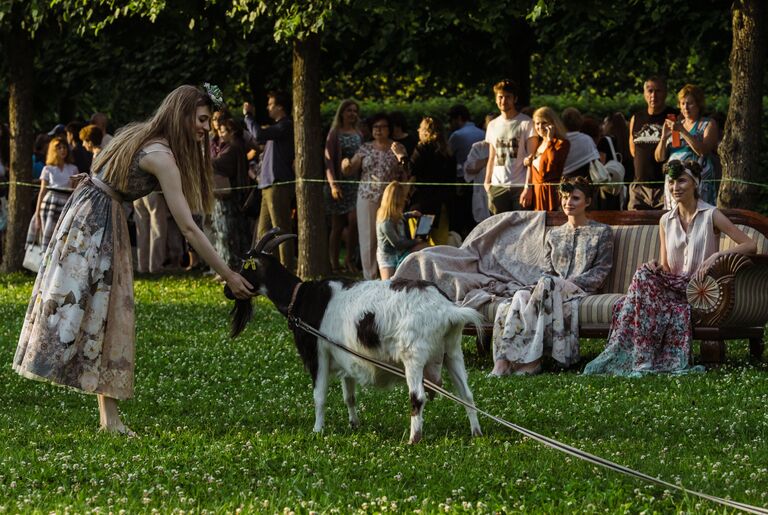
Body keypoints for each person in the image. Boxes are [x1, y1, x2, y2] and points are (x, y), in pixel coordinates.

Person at [13, 85, 254, 435]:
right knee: (103, 312)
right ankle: (109, 419)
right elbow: (188, 227)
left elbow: (102, 168)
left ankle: (109, 419)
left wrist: (93, 181)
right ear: (182, 114)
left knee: (104, 313)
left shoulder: (138, 134)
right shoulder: (161, 156)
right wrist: (228, 274)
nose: (205, 127)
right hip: (98, 225)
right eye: (202, 120)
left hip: (88, 215)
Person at [584, 160, 756, 377]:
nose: (676, 187)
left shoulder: (712, 215)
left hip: (696, 289)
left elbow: (750, 245)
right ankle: (641, 358)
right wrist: (655, 265)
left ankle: (642, 357)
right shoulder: (666, 220)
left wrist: (718, 256)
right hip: (671, 286)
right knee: (644, 273)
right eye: (672, 182)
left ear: (695, 184)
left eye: (682, 181)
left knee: (636, 294)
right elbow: (666, 266)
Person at [490, 176, 613, 376]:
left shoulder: (602, 232)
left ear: (588, 201)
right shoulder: (554, 235)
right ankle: (502, 361)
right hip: (550, 289)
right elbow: (547, 270)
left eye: (575, 198)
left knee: (547, 283)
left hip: (579, 289)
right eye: (565, 197)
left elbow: (601, 271)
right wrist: (551, 283)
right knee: (519, 297)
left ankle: (533, 360)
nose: (568, 203)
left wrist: (563, 283)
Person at [343, 113, 409, 279]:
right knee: (368, 238)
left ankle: (389, 276)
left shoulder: (397, 147)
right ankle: (370, 277)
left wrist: (401, 157)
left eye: (382, 127)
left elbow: (406, 173)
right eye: (375, 127)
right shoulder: (365, 148)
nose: (378, 130)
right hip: (367, 196)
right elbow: (350, 169)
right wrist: (345, 164)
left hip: (390, 198)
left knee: (390, 236)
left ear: (389, 129)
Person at [244, 91, 295, 271]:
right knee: (264, 233)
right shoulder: (277, 128)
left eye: (271, 104)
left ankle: (286, 269)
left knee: (280, 230)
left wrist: (248, 116)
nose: (268, 107)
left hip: (278, 184)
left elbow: (258, 134)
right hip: (266, 185)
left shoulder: (286, 125)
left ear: (280, 107)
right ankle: (268, 271)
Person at [655, 84, 719, 207]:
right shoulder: (676, 125)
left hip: (699, 184)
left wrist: (683, 131)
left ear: (699, 104)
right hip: (675, 183)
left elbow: (703, 151)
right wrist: (663, 138)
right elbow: (659, 158)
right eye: (683, 103)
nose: (686, 107)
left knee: (700, 220)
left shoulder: (708, 124)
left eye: (690, 103)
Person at [483, 79, 536, 214]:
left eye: (508, 97)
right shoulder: (492, 125)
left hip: (520, 186)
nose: (503, 101)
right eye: (500, 97)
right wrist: (487, 182)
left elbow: (532, 158)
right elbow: (492, 156)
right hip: (497, 186)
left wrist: (528, 187)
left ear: (515, 99)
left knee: (521, 228)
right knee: (498, 229)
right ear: (496, 99)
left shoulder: (526, 123)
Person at [324, 99, 363, 273]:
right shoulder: (334, 133)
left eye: (355, 111)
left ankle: (349, 259)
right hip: (338, 184)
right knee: (337, 225)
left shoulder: (359, 133)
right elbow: (328, 161)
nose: (352, 114)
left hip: (355, 184)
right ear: (342, 113)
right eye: (349, 110)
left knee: (354, 221)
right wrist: (333, 185)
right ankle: (333, 262)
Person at [403, 116, 456, 243]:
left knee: (421, 240)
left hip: (424, 207)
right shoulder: (448, 153)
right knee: (439, 243)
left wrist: (402, 157)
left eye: (420, 128)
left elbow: (411, 170)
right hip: (442, 206)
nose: (417, 130)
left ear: (427, 131)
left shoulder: (422, 148)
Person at [628, 76, 677, 210]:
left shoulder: (673, 117)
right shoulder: (636, 118)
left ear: (666, 93)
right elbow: (633, 150)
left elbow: (677, 147)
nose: (653, 95)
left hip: (665, 186)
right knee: (635, 229)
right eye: (650, 91)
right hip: (639, 188)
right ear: (644, 93)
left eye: (658, 91)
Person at [211, 117, 251, 268]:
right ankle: (232, 263)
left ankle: (230, 264)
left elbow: (219, 164)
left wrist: (202, 159)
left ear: (232, 131)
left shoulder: (233, 147)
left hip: (229, 198)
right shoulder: (236, 145)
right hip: (234, 196)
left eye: (222, 131)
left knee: (227, 233)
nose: (220, 134)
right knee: (233, 233)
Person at [375, 181, 429, 279]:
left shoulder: (396, 214)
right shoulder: (385, 221)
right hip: (389, 257)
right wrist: (416, 241)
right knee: (389, 286)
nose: (405, 199)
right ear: (397, 200)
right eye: (402, 197)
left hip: (401, 253)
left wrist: (411, 214)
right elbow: (398, 243)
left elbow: (400, 217)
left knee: (424, 247)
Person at [521, 107, 570, 211]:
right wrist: (528, 162)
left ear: (553, 124)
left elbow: (551, 163)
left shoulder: (562, 143)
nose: (539, 127)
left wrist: (549, 140)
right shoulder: (538, 143)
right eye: (537, 123)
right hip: (536, 193)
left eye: (544, 123)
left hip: (551, 194)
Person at [448, 104, 485, 236]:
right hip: (481, 178)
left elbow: (449, 156)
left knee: (463, 217)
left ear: (458, 118)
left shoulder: (456, 135)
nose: (450, 125)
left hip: (463, 181)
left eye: (451, 121)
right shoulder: (482, 133)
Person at [34, 137, 78, 247]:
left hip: (66, 204)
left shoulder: (73, 169)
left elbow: (75, 192)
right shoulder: (48, 169)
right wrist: (37, 214)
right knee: (48, 235)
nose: (63, 150)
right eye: (59, 148)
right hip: (49, 204)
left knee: (63, 237)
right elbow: (42, 191)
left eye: (64, 147)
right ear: (53, 150)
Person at [463, 114, 496, 224]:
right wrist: (490, 158)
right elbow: (469, 169)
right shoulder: (478, 147)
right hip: (482, 194)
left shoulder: (508, 146)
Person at [560, 107, 599, 178]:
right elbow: (595, 161)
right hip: (583, 182)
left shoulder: (559, 141)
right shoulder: (587, 139)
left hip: (563, 182)